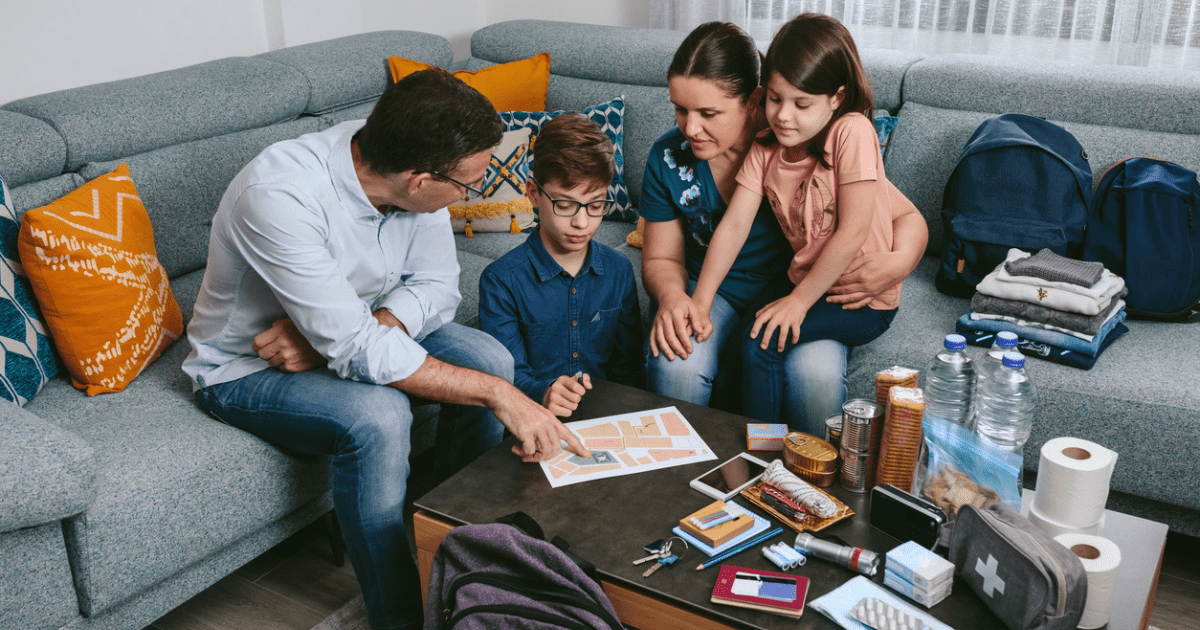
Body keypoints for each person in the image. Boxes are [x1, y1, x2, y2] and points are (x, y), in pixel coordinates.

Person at [182, 68, 587, 630]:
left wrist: (353, 331)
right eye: (468, 186)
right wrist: (498, 396)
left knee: (489, 356)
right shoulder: (277, 194)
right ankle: (398, 616)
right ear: (420, 181)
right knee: (381, 416)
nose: (474, 191)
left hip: (354, 325)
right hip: (243, 368)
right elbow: (356, 348)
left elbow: (438, 286)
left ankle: (470, 551)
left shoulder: (400, 160)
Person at [641, 21, 928, 433]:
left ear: (751, 101)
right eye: (680, 109)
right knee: (695, 360)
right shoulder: (719, 153)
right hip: (747, 288)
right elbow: (692, 244)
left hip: (823, 290)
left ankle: (800, 475)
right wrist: (687, 300)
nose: (690, 129)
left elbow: (894, 216)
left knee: (800, 368)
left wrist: (899, 263)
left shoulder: (825, 137)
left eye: (709, 113)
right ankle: (714, 470)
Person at [479, 114, 644, 417]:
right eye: (565, 205)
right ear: (533, 194)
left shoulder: (619, 270)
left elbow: (628, 370)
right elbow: (505, 377)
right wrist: (544, 392)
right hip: (532, 418)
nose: (582, 222)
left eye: (595, 206)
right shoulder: (501, 281)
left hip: (607, 421)